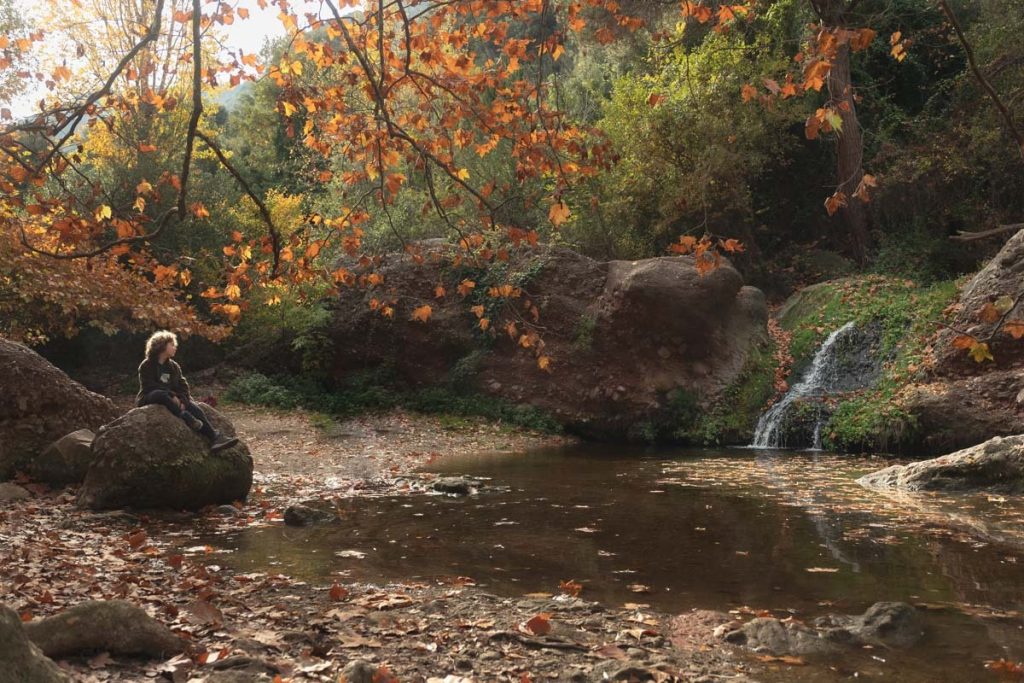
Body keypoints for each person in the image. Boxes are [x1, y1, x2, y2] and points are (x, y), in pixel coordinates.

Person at [137, 331, 239, 452]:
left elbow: (182, 385)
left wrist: (183, 400)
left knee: (194, 407)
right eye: (172, 345)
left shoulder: (174, 366)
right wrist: (172, 395)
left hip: (173, 398)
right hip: (150, 396)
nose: (175, 347)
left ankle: (214, 437)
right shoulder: (146, 365)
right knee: (159, 394)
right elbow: (150, 385)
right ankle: (184, 416)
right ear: (162, 346)